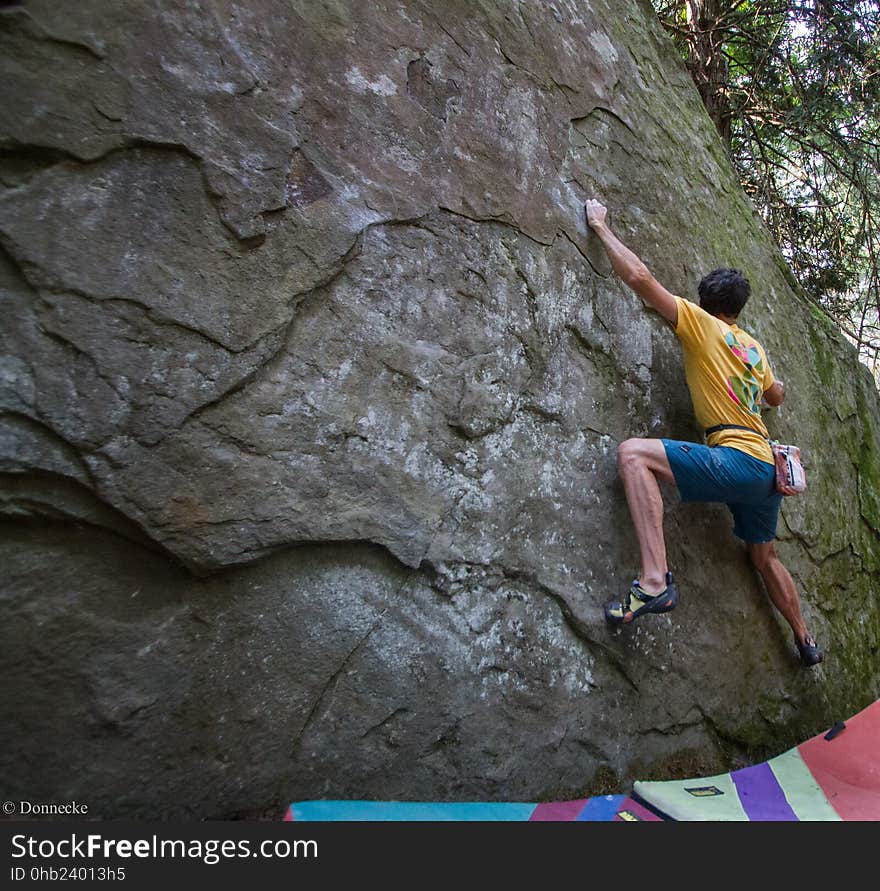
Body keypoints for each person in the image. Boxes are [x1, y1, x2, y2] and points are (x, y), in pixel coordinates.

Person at [584, 198, 823, 667]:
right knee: (763, 559)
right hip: (766, 473)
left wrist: (600, 226)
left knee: (633, 454)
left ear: (706, 302)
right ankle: (804, 638)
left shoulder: (699, 323)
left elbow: (641, 279)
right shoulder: (754, 347)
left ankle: (654, 581)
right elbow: (776, 395)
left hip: (736, 459)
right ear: (739, 308)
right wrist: (775, 386)